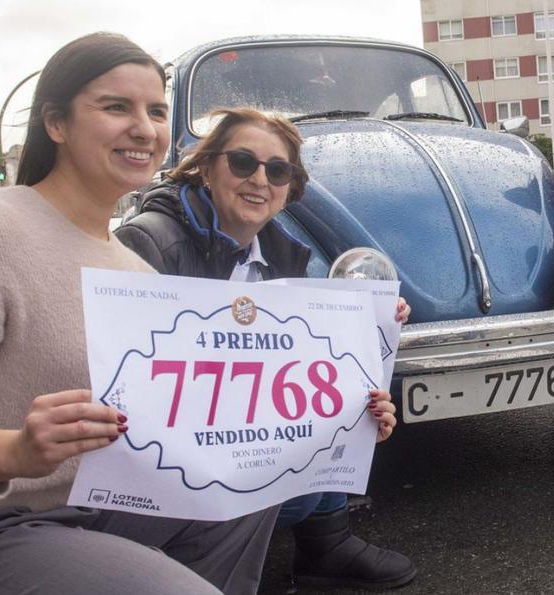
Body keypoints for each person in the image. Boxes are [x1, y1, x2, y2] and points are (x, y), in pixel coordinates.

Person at [0, 33, 330, 594]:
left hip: (87, 505)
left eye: (156, 111)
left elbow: (198, 416)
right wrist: (13, 449)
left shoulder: (133, 274)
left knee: (243, 495)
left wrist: (340, 409)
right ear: (56, 123)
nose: (143, 127)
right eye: (116, 107)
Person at [115, 107, 416, 590]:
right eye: (242, 162)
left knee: (332, 438)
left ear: (289, 189)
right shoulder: (149, 240)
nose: (260, 179)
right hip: (168, 463)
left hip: (233, 451)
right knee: (282, 481)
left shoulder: (285, 257)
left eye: (277, 170)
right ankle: (165, 562)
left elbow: (305, 364)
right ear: (206, 167)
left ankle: (325, 544)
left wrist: (370, 338)